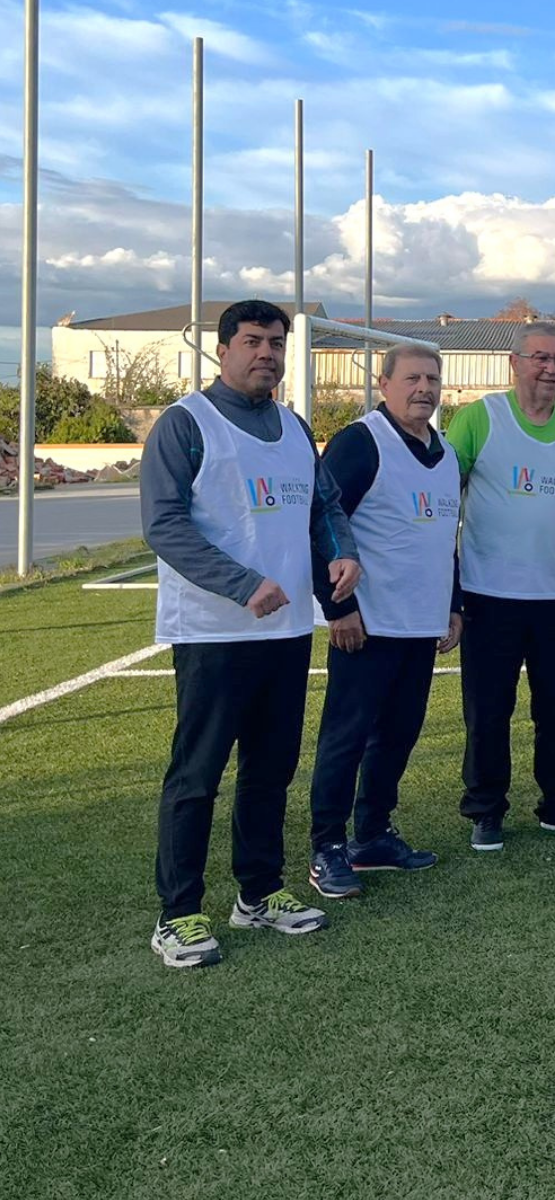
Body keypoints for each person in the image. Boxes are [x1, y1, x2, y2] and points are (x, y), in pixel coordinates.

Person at [140, 298, 360, 968]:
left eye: (277, 343)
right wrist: (242, 584)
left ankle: (259, 893)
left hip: (286, 632)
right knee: (197, 776)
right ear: (223, 348)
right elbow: (165, 524)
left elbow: (322, 505)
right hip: (214, 633)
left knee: (270, 771)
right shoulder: (186, 424)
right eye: (253, 341)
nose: (267, 353)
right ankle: (178, 914)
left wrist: (340, 553)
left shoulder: (295, 426)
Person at [445, 321, 555, 852]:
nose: (551, 368)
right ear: (513, 363)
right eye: (540, 357)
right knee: (489, 709)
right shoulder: (479, 418)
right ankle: (486, 808)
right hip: (489, 594)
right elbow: (449, 493)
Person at [306, 346, 463, 899]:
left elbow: (445, 540)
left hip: (419, 625)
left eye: (433, 379)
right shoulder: (361, 441)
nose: (424, 387)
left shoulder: (444, 453)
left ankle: (371, 835)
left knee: (398, 735)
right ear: (384, 383)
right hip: (367, 625)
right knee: (345, 739)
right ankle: (326, 846)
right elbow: (320, 522)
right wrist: (339, 607)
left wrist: (454, 605)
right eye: (412, 378)